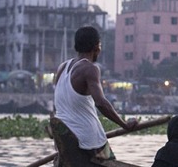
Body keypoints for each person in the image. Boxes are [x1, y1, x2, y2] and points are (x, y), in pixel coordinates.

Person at [53, 26, 138, 159]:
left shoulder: (62, 67)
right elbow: (100, 103)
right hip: (88, 141)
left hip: (64, 140)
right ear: (96, 47)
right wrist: (124, 124)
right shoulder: (90, 69)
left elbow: (58, 105)